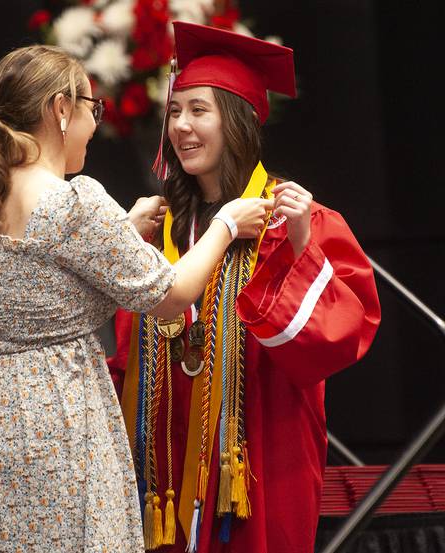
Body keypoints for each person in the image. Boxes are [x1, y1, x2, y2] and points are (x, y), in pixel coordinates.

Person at [0, 44, 272, 552]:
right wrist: (226, 224)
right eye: (94, 109)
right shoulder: (74, 201)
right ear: (60, 110)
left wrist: (121, 230)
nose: (96, 124)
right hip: (52, 412)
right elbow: (170, 294)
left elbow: (44, 278)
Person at [109, 22, 381, 553]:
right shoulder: (157, 226)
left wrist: (300, 244)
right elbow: (126, 359)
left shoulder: (295, 216)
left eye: (199, 110)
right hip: (163, 470)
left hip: (258, 461)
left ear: (236, 121)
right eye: (175, 110)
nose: (181, 127)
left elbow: (342, 335)